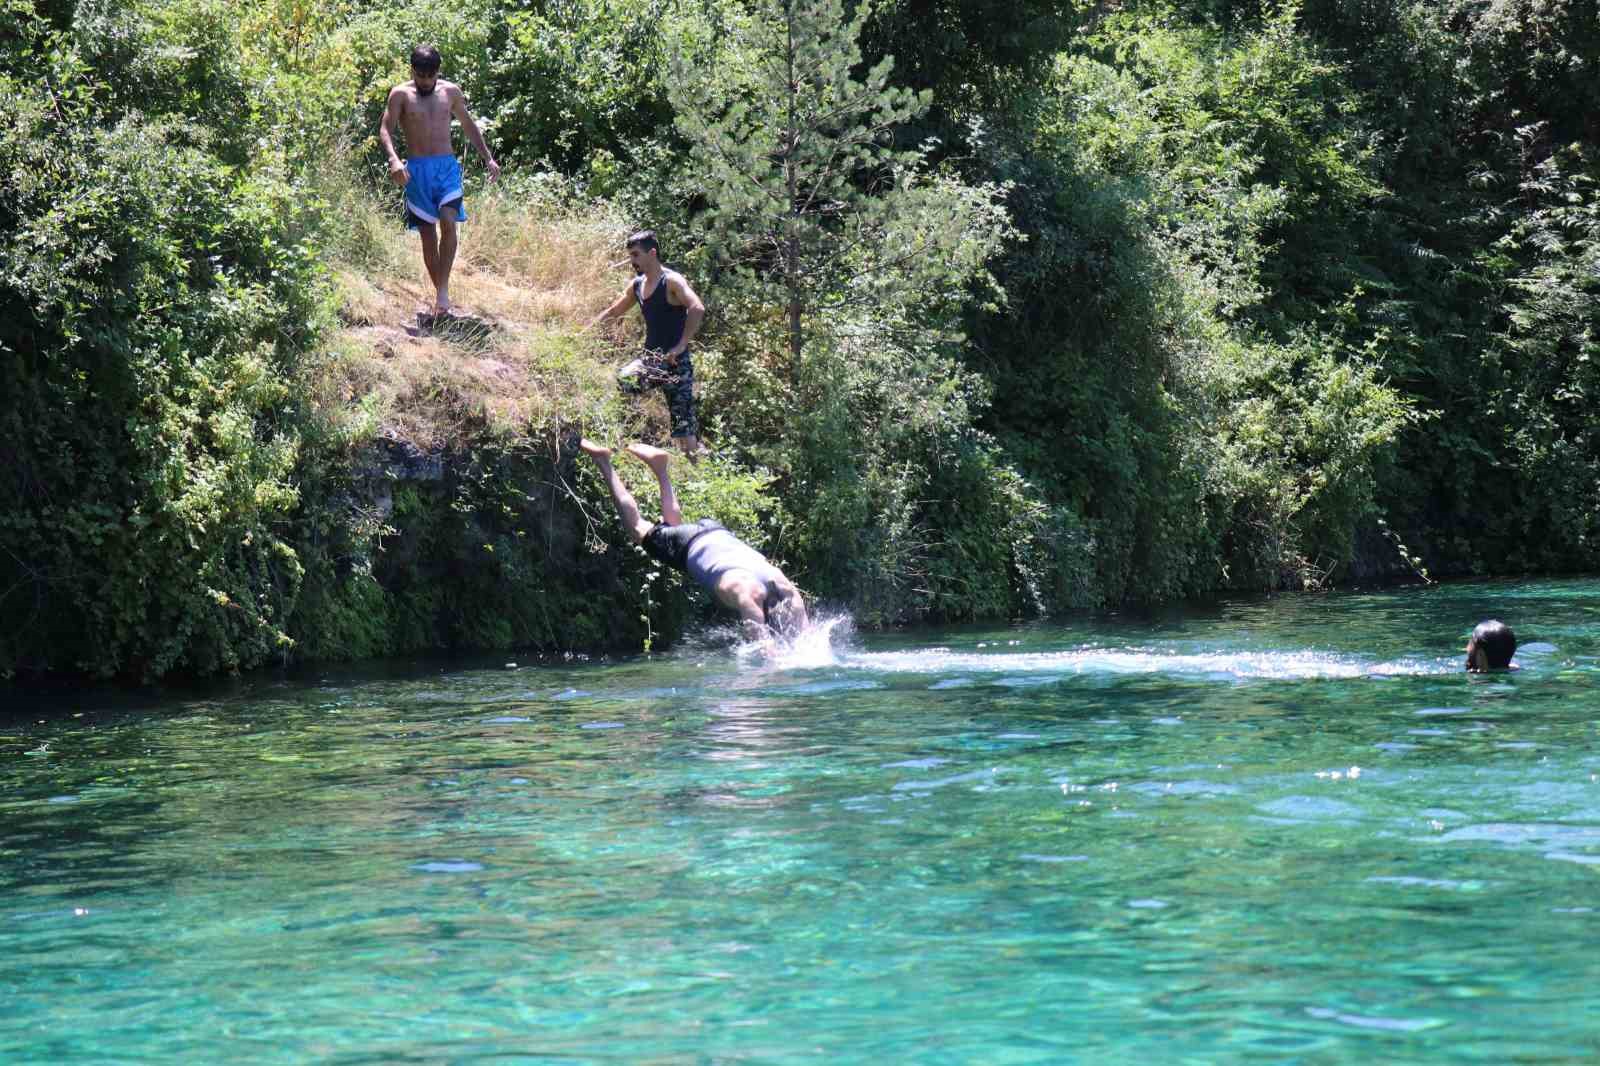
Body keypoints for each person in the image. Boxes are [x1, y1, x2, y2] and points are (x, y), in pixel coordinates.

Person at [579, 438, 807, 643]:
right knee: (638, 528)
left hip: (716, 532)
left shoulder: (782, 585)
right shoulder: (748, 595)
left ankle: (660, 468)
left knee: (674, 531)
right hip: (693, 545)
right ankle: (603, 462)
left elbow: (807, 639)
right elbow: (763, 648)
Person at [379, 44, 500, 321]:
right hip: (417, 171)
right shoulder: (400, 94)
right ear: (413, 71)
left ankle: (442, 293)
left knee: (448, 220)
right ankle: (441, 299)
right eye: (421, 76)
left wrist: (488, 158)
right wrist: (394, 160)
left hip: (446, 168)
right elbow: (385, 128)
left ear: (437, 72)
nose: (425, 81)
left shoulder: (451, 92)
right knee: (427, 235)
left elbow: (469, 125)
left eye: (430, 76)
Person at [588, 231, 706, 456]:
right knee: (623, 382)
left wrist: (681, 345)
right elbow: (614, 311)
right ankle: (616, 441)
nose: (632, 261)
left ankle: (704, 477)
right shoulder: (637, 285)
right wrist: (583, 335)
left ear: (652, 253)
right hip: (652, 361)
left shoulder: (671, 281)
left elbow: (697, 307)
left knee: (684, 433)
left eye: (636, 255)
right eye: (630, 256)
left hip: (676, 365)